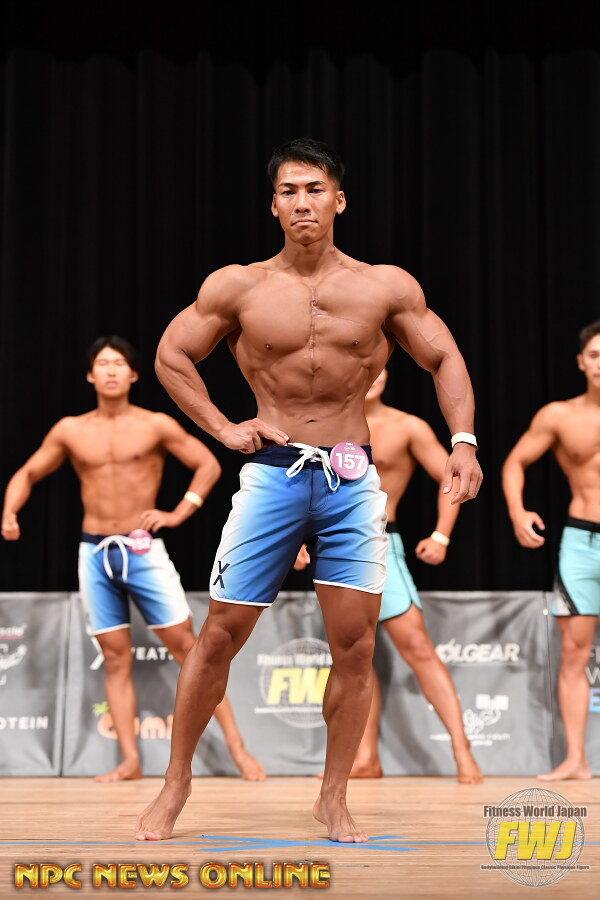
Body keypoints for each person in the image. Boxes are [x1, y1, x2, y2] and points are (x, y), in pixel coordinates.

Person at [135, 137, 482, 843]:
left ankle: (334, 794)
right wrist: (222, 427)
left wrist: (464, 440)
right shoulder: (238, 286)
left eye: (315, 189)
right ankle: (176, 782)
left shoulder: (385, 287)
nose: (302, 203)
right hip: (272, 474)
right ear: (273, 206)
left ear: (339, 200)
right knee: (219, 635)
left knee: (353, 647)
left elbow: (443, 354)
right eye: (289, 191)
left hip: (351, 481)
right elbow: (172, 354)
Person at [1, 336, 265, 783]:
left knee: (190, 649)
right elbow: (28, 472)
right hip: (94, 553)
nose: (110, 370)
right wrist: (9, 511)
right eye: (102, 364)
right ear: (90, 375)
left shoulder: (155, 425)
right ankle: (129, 760)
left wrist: (178, 512)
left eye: (119, 363)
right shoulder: (70, 430)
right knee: (114, 657)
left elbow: (207, 465)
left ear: (134, 374)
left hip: (142, 549)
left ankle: (238, 749)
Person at [294, 368, 482, 782]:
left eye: (380, 368)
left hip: (380, 540)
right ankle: (364, 758)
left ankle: (462, 751)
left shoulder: (407, 427)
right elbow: (302, 488)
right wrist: (297, 541)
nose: (374, 375)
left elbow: (454, 476)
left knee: (417, 646)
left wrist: (441, 535)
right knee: (352, 656)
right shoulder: (318, 426)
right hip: (332, 546)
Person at [502, 320, 600, 782]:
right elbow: (515, 462)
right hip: (580, 544)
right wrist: (518, 512)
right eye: (595, 355)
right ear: (581, 362)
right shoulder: (559, 416)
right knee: (574, 653)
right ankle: (576, 759)